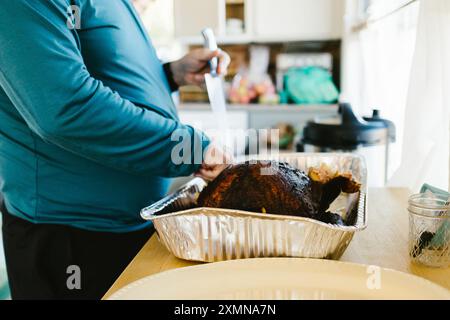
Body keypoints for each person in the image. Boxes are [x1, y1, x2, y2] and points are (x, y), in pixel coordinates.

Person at [0, 0, 231, 299]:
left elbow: (104, 69)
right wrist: (188, 148)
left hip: (130, 225)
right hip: (70, 237)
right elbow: (65, 109)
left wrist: (171, 74)